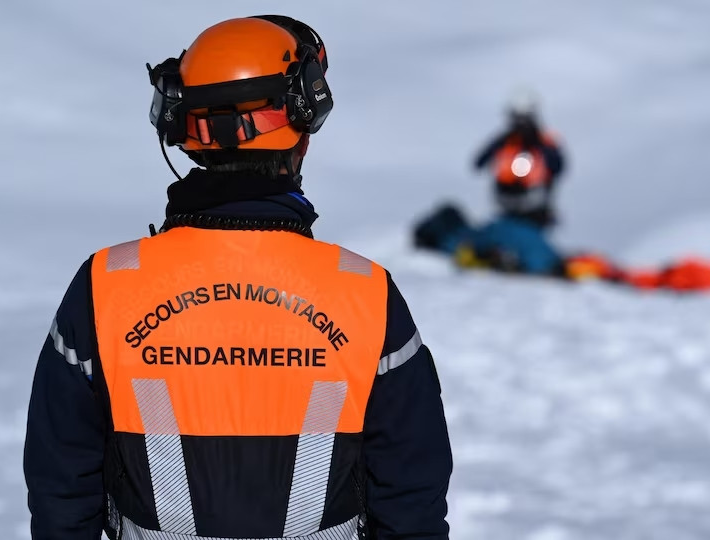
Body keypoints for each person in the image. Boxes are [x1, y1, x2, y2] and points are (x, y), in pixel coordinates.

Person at [24, 16, 453, 540]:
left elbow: (60, 487)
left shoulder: (105, 284)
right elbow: (412, 493)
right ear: (303, 132)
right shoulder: (366, 291)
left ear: (183, 132)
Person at [473, 89, 566, 228]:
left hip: (535, 208)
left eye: (524, 118)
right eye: (517, 118)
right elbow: (478, 162)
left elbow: (558, 166)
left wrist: (538, 147)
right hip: (505, 204)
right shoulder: (504, 141)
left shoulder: (545, 142)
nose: (520, 123)